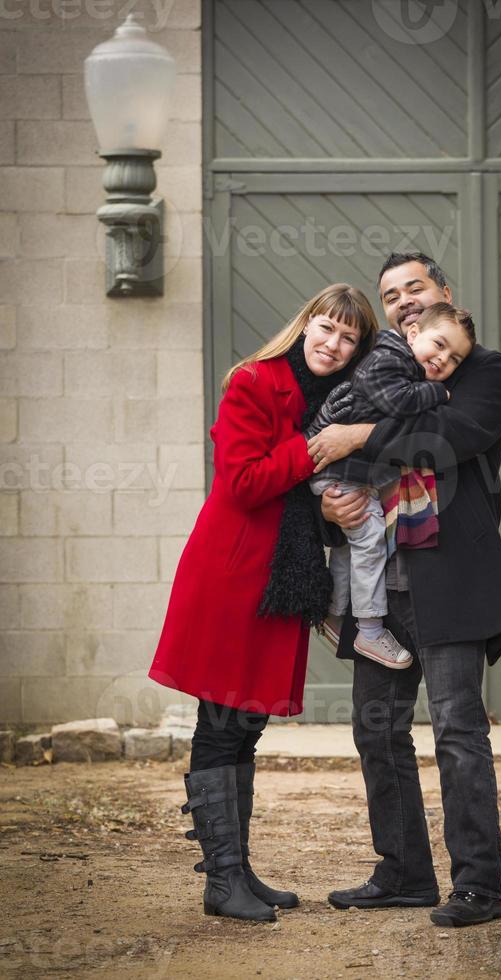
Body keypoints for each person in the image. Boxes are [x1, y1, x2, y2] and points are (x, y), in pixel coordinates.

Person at [307, 253, 501, 928]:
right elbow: (324, 457)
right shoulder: (377, 367)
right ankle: (402, 873)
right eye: (390, 294)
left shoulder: (480, 368)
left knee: (458, 732)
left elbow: (447, 436)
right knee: (376, 731)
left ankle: (479, 887)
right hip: (380, 588)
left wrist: (358, 433)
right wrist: (326, 509)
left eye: (414, 288)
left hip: (449, 575)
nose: (402, 301)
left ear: (441, 295)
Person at [148, 284, 378, 923]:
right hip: (233, 576)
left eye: (349, 337)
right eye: (326, 328)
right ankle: (221, 881)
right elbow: (245, 482)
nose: (334, 344)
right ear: (306, 324)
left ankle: (236, 867)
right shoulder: (254, 382)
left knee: (244, 726)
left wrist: (331, 502)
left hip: (276, 578)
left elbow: (308, 496)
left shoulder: (335, 401)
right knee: (221, 724)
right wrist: (316, 449)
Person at [307, 303, 476, 671]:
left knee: (351, 548)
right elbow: (396, 401)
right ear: (413, 334)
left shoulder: (400, 362)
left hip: (347, 472)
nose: (444, 359)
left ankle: (333, 613)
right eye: (440, 344)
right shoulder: (388, 359)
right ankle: (368, 629)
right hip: (341, 470)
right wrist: (438, 394)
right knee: (369, 545)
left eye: (455, 359)